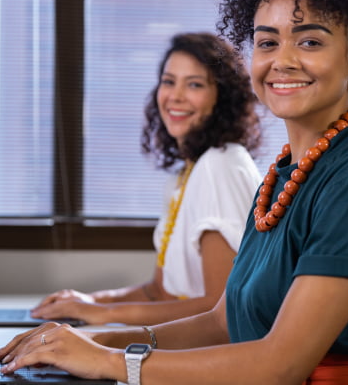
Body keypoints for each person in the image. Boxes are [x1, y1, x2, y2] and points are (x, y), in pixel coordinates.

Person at [0, 0, 348, 383]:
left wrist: (110, 363)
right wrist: (93, 340)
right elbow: (221, 323)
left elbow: (278, 368)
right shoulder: (285, 173)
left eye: (309, 40)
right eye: (267, 42)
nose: (282, 60)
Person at [29, 31, 262, 326]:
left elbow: (221, 309)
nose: (175, 96)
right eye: (168, 81)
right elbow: (158, 292)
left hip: (205, 356)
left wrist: (102, 315)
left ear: (222, 98)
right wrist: (91, 301)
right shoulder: (188, 174)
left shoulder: (220, 165)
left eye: (195, 84)